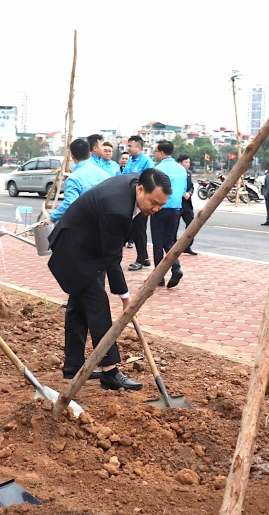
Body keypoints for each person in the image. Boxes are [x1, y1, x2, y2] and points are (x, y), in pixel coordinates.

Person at [47, 169, 172, 391]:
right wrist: (125, 297)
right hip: (74, 251)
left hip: (85, 247)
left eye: (161, 205)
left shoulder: (134, 184)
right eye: (154, 202)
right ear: (140, 189)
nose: (156, 209)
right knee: (98, 306)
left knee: (78, 308)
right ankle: (110, 371)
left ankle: (73, 366)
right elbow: (113, 258)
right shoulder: (118, 209)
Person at [150, 140, 188, 288]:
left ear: (161, 152)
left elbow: (155, 190)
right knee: (170, 240)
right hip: (176, 209)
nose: (155, 155)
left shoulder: (158, 169)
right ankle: (176, 267)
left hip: (160, 208)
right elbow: (183, 189)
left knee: (158, 243)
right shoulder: (181, 169)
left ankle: (159, 276)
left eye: (155, 152)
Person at [48, 138, 109, 223]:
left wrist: (52, 218)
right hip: (104, 222)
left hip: (84, 225)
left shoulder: (73, 179)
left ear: (72, 156)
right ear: (89, 154)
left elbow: (70, 203)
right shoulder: (104, 174)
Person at [123, 136, 154, 269]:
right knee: (135, 230)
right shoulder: (130, 160)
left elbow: (150, 181)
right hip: (131, 199)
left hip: (142, 201)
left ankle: (141, 259)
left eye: (130, 146)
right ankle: (144, 257)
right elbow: (124, 175)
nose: (128, 148)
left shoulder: (146, 161)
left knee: (139, 229)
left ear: (139, 147)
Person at [176, 155, 197, 255]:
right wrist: (181, 194)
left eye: (189, 162)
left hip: (187, 204)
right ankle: (173, 247)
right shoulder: (175, 173)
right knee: (174, 226)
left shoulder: (189, 173)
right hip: (177, 203)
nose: (188, 164)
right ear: (180, 163)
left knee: (192, 225)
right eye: (185, 162)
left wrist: (189, 193)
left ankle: (187, 246)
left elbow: (191, 187)